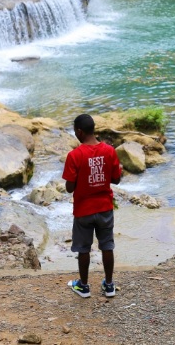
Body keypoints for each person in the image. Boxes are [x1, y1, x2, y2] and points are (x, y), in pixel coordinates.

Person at [62, 114, 122, 298]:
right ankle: (109, 285)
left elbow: (69, 187)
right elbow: (116, 179)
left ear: (80, 132)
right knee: (107, 245)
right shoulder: (109, 151)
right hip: (104, 207)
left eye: (75, 132)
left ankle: (84, 286)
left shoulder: (74, 155)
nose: (75, 134)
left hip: (83, 210)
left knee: (83, 248)